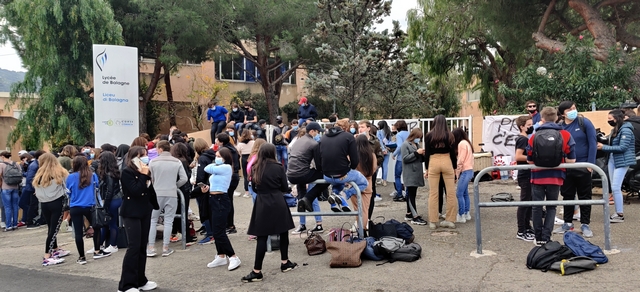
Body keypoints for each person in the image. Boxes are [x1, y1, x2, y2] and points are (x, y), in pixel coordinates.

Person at [243, 143, 298, 283]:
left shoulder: (256, 167)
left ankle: (257, 270)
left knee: (262, 236)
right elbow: (285, 187)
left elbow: (254, 188)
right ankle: (285, 262)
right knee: (283, 232)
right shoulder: (278, 167)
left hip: (262, 202)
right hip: (277, 201)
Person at [527, 107, 576, 246]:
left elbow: (530, 160)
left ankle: (538, 237)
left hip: (537, 176)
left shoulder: (534, 136)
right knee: (551, 207)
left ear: (542, 118)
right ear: (556, 118)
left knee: (536, 207)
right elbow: (572, 160)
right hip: (556, 176)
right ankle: (546, 236)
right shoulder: (565, 134)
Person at [118, 146, 159, 292]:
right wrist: (143, 175)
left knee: (142, 246)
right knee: (134, 247)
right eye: (142, 155)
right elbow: (135, 190)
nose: (145, 157)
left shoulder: (145, 171)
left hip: (144, 211)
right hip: (131, 212)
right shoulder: (127, 172)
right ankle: (126, 285)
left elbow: (148, 189)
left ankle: (140, 280)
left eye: (146, 155)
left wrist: (154, 204)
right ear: (134, 157)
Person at [554, 101, 597, 237]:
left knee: (585, 196)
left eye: (574, 108)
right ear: (562, 113)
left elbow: (593, 143)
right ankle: (567, 223)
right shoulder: (559, 127)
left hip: (583, 166)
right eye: (569, 109)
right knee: (567, 195)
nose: (573, 110)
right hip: (566, 167)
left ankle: (585, 224)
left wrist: (590, 165)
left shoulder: (584, 123)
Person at [201, 147, 242, 271]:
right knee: (215, 229)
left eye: (219, 156)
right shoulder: (218, 170)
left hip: (221, 200)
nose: (216, 158)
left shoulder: (226, 167)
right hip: (213, 198)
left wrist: (214, 163)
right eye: (216, 155)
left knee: (219, 231)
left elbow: (206, 168)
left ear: (225, 157)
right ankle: (221, 255)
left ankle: (233, 256)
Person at [146, 141, 188, 257]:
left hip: (156, 193)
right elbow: (184, 178)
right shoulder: (177, 161)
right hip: (172, 193)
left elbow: (149, 178)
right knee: (169, 220)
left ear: (159, 149)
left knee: (153, 220)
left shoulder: (153, 162)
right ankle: (165, 248)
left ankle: (151, 247)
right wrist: (175, 185)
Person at [67, 155, 110, 263]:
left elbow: (68, 192)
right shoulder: (93, 175)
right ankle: (97, 251)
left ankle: (81, 257)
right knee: (96, 227)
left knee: (78, 232)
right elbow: (97, 190)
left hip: (75, 206)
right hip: (90, 206)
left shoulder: (70, 177)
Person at [318, 119, 368, 212]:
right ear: (346, 128)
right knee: (364, 183)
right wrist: (349, 169)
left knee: (338, 184)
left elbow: (318, 157)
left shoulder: (323, 137)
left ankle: (334, 201)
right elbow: (354, 159)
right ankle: (344, 195)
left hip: (327, 175)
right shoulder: (348, 137)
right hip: (342, 173)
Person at [287, 123, 328, 234]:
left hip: (291, 174)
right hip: (302, 173)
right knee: (327, 179)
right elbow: (318, 165)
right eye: (317, 131)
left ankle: (302, 203)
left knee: (302, 189)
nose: (318, 133)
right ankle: (308, 198)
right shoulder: (313, 143)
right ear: (312, 131)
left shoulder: (297, 141)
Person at [33, 153, 72, 266]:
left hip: (44, 203)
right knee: (54, 229)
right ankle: (47, 255)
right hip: (57, 202)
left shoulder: (39, 175)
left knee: (51, 227)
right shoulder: (61, 172)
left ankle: (55, 249)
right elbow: (67, 187)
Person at [598, 109, 635, 224]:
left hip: (622, 161)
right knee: (615, 188)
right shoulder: (616, 130)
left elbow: (622, 148)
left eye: (610, 119)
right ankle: (618, 213)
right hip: (613, 160)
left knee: (615, 187)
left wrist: (603, 147)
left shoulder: (626, 130)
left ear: (617, 118)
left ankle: (619, 214)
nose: (608, 121)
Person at [424, 115, 458, 230]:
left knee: (433, 193)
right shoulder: (450, 135)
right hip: (447, 160)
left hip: (433, 161)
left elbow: (427, 153)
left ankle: (433, 221)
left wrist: (427, 168)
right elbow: (453, 153)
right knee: (451, 193)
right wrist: (454, 167)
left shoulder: (429, 135)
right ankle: (450, 220)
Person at [96, 152, 123, 253]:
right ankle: (100, 244)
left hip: (111, 200)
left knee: (110, 223)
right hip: (116, 198)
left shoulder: (108, 174)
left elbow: (109, 191)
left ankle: (113, 244)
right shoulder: (113, 172)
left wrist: (105, 204)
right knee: (108, 223)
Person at [191, 138, 217, 245]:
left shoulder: (202, 159)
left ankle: (210, 234)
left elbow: (201, 175)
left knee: (204, 210)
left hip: (204, 187)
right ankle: (212, 232)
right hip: (213, 185)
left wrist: (198, 183)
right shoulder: (213, 155)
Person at [170, 143, 196, 245]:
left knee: (175, 212)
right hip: (183, 189)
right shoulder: (183, 161)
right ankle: (186, 235)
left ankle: (175, 233)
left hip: (174, 189)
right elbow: (185, 176)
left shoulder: (173, 161)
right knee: (183, 212)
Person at [514, 115, 535, 241]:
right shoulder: (522, 140)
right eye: (529, 125)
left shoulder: (526, 138)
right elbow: (518, 156)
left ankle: (527, 227)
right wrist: (531, 159)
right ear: (522, 127)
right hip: (524, 174)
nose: (531, 127)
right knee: (525, 202)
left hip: (528, 174)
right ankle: (521, 230)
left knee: (529, 202)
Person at [216, 133, 241, 234]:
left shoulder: (225, 151)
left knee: (227, 201)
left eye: (217, 140)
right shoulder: (233, 148)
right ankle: (229, 224)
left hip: (229, 176)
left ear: (221, 142)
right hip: (234, 175)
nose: (216, 142)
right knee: (228, 200)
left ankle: (229, 225)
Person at [400, 128, 426, 225]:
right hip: (410, 173)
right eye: (418, 137)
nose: (418, 139)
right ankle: (415, 216)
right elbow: (405, 159)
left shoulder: (417, 145)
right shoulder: (405, 144)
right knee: (410, 195)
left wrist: (423, 155)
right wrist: (416, 153)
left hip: (416, 173)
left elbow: (419, 159)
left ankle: (409, 213)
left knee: (413, 194)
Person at [358, 121, 383, 217]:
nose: (360, 129)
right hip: (358, 171)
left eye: (362, 127)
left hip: (370, 172)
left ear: (368, 128)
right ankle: (360, 218)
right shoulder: (355, 140)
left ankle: (368, 217)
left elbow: (380, 156)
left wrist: (374, 165)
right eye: (359, 127)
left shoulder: (375, 142)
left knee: (370, 194)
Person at [355, 134, 376, 229]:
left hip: (355, 184)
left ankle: (360, 229)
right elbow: (374, 168)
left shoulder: (353, 155)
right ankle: (364, 229)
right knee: (365, 209)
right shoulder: (372, 155)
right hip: (368, 183)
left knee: (357, 209)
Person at [453, 127, 474, 224]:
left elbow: (460, 160)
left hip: (464, 171)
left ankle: (461, 215)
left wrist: (456, 174)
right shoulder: (467, 143)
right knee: (465, 193)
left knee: (459, 193)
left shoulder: (461, 144)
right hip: (469, 170)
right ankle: (466, 213)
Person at [23, 150, 45, 229]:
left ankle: (35, 220)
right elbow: (30, 178)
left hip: (34, 187)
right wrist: (36, 188)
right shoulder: (34, 165)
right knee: (33, 205)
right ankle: (30, 222)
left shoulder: (36, 164)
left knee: (34, 205)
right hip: (33, 189)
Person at [1, 151, 22, 231]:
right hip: (15, 187)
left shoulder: (1, 165)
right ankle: (15, 224)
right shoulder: (16, 164)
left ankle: (8, 225)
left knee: (7, 207)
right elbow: (20, 173)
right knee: (15, 206)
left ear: (3, 156)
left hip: (6, 188)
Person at [392, 120, 409, 201]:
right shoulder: (409, 133)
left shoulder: (399, 135)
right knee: (408, 177)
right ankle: (408, 194)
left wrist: (394, 154)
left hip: (400, 158)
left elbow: (399, 146)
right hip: (409, 157)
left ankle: (399, 194)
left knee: (397, 176)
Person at [237, 130, 255, 198]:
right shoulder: (253, 142)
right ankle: (254, 189)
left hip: (244, 158)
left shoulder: (240, 144)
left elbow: (238, 152)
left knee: (245, 175)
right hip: (252, 158)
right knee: (254, 173)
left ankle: (246, 192)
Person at [377, 121, 393, 187]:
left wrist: (383, 149)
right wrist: (387, 149)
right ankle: (384, 181)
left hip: (381, 150)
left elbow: (379, 140)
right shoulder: (388, 132)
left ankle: (374, 180)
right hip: (388, 150)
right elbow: (390, 141)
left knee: (377, 165)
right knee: (385, 165)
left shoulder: (379, 132)